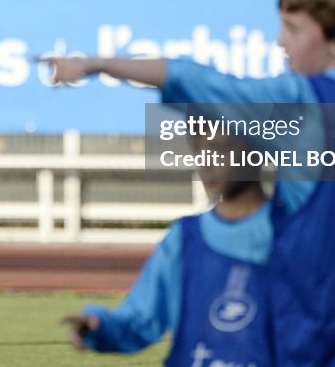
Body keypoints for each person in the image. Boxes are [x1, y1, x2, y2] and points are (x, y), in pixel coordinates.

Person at [48, 0, 335, 367]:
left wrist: (96, 64)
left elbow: (200, 81)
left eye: (292, 28)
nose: (280, 41)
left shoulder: (302, 100)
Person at [62, 134, 272, 367]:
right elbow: (142, 318)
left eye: (218, 148)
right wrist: (100, 325)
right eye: (197, 147)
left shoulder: (297, 237)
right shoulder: (185, 238)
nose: (205, 160)